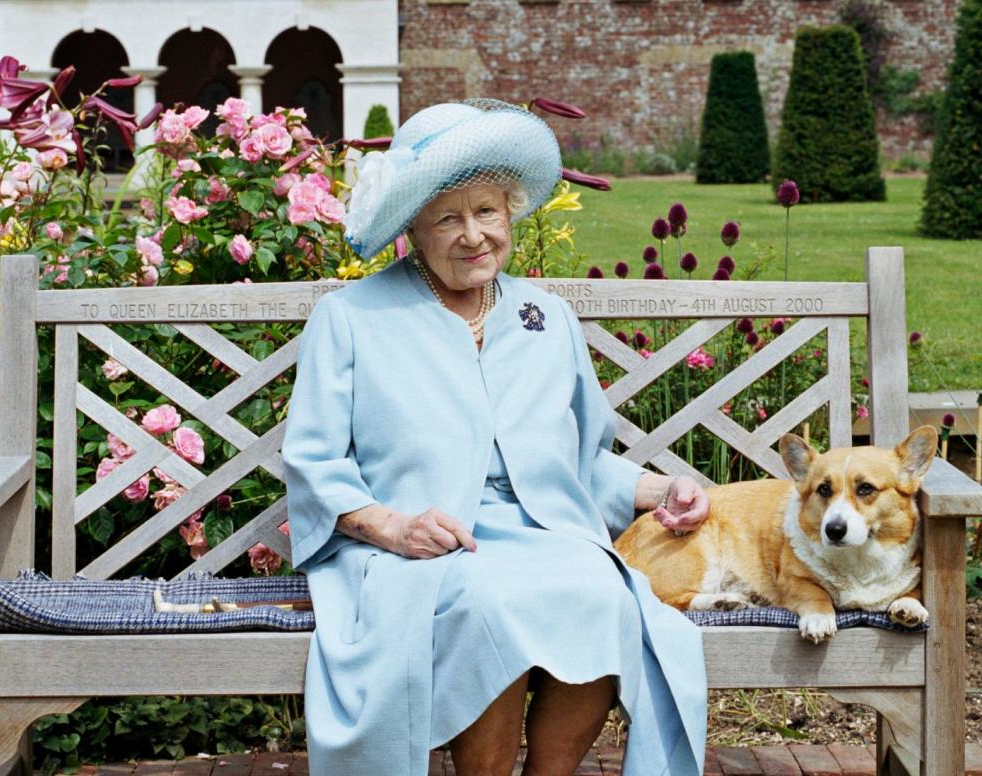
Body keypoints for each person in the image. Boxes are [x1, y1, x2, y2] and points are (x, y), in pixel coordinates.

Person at [282, 98, 710, 776]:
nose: (473, 235)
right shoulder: (352, 317)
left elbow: (579, 462)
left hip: (542, 533)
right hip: (417, 547)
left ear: (510, 213)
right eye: (447, 218)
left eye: (487, 212)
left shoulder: (548, 317)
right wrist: (391, 528)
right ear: (413, 231)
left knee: (601, 594)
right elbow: (312, 462)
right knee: (491, 603)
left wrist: (665, 487)